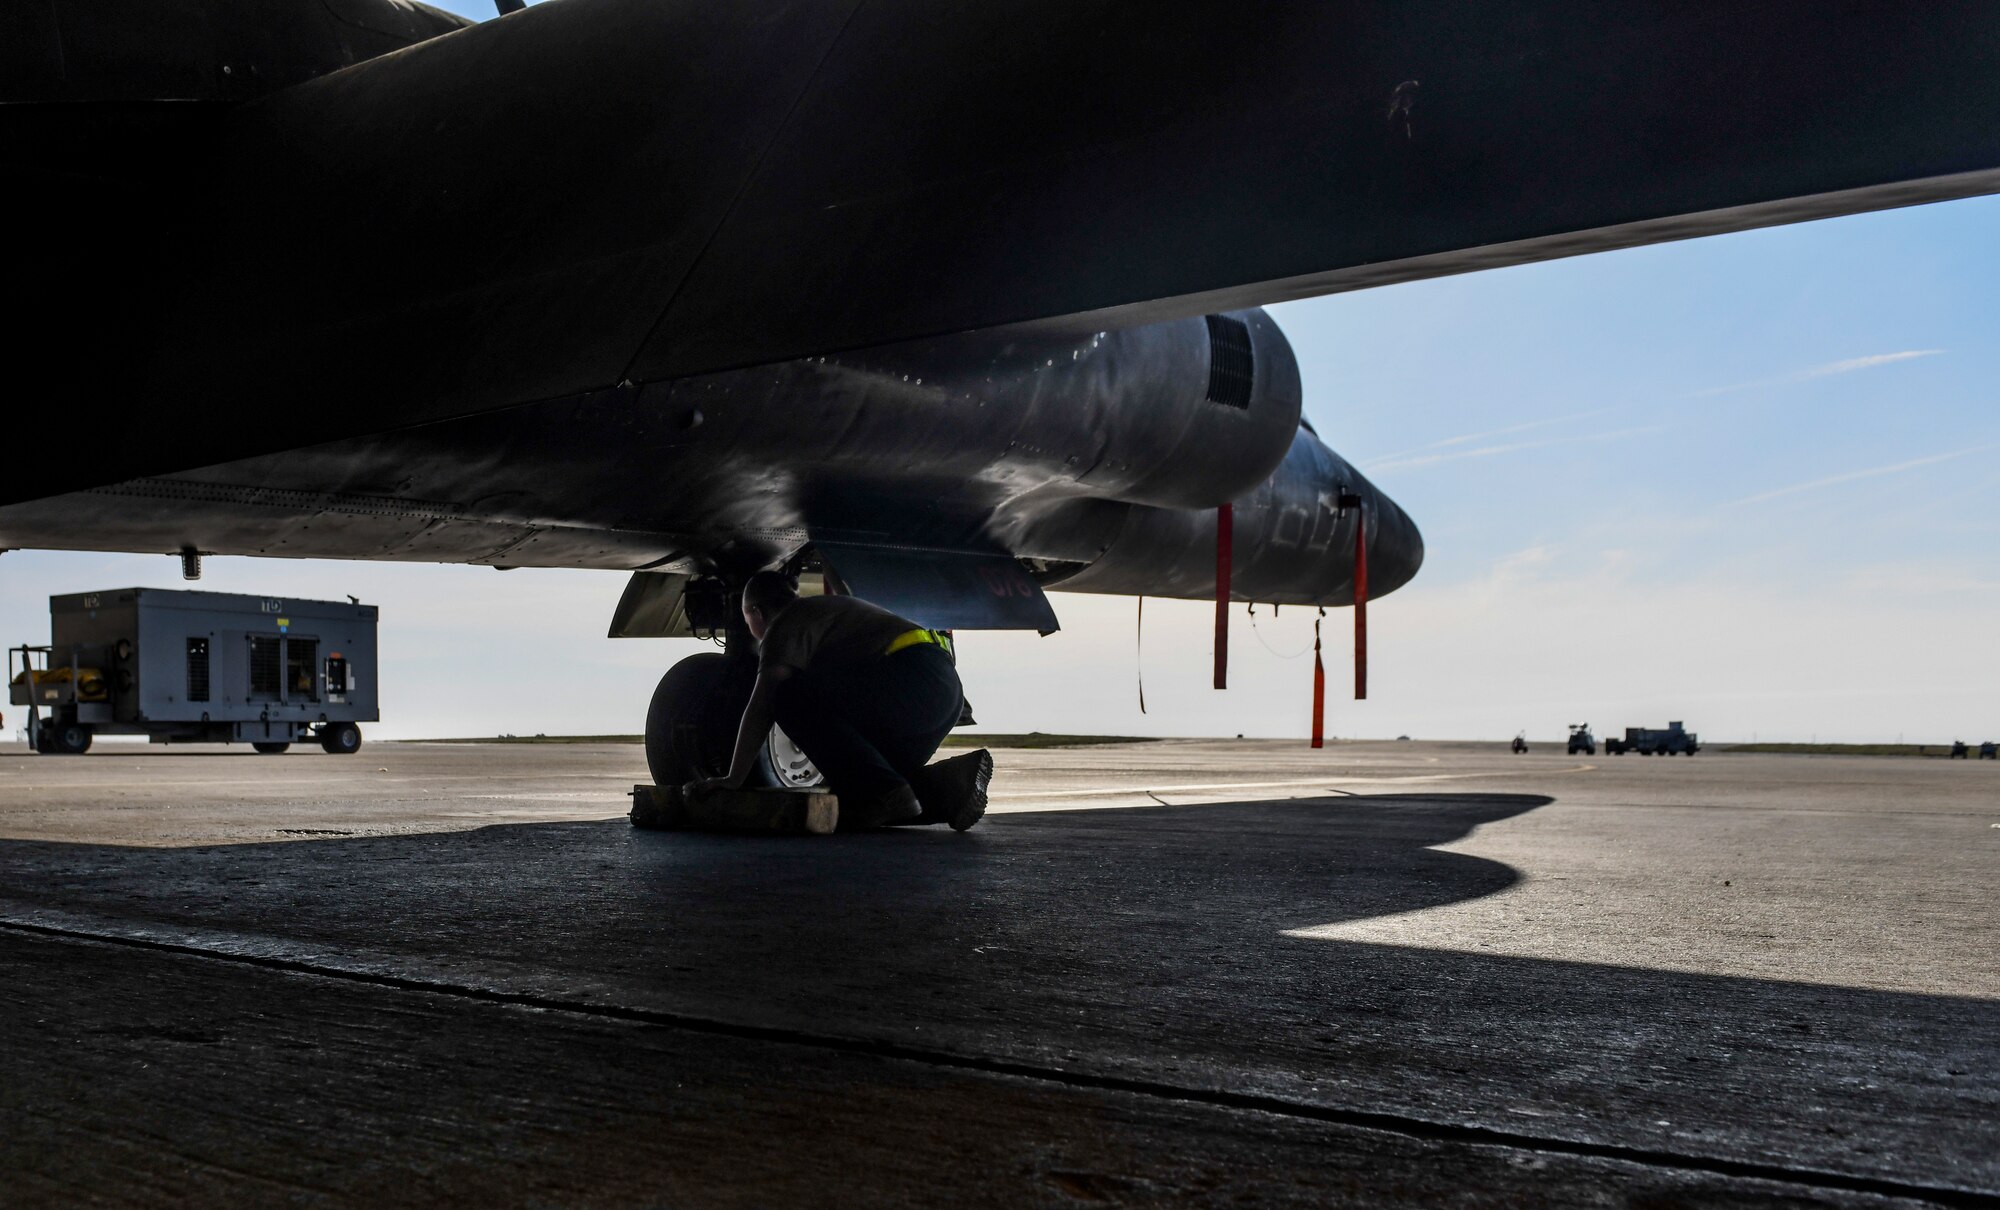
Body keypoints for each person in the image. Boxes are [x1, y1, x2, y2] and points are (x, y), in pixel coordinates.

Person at [683, 570, 990, 830]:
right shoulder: (828, 610)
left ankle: (892, 794)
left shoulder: (785, 625)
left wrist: (733, 777)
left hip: (911, 684)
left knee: (786, 696)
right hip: (943, 692)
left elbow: (761, 705)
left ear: (757, 613)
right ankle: (953, 788)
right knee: (860, 786)